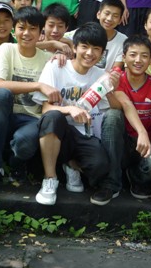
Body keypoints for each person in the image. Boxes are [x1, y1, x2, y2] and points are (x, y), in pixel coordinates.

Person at [33, 22, 124, 206]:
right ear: (74, 47)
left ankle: (71, 164)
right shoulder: (56, 67)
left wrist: (112, 89)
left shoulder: (101, 75)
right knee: (53, 117)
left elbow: (115, 108)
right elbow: (45, 109)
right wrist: (69, 109)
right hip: (59, 131)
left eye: (96, 49)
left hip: (85, 135)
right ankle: (50, 179)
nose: (90, 53)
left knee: (100, 165)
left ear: (102, 53)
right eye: (84, 47)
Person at [0, 6, 61, 194]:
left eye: (33, 28)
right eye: (21, 27)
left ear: (41, 32)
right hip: (5, 115)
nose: (26, 33)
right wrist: (37, 85)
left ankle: (16, 164)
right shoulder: (6, 49)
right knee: (0, 95)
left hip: (32, 119)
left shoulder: (49, 60)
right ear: (14, 29)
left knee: (24, 142)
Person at [112, 35, 151, 199]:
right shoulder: (117, 79)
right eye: (133, 55)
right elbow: (126, 104)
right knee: (112, 117)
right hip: (123, 141)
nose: (138, 60)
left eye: (144, 55)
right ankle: (112, 179)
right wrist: (142, 132)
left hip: (147, 147)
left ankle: (136, 176)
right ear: (124, 57)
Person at [65, 0, 126, 71]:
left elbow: (115, 70)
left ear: (120, 20)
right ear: (98, 14)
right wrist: (69, 43)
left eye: (115, 16)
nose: (109, 18)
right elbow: (59, 38)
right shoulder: (87, 31)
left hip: (104, 80)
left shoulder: (123, 40)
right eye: (107, 13)